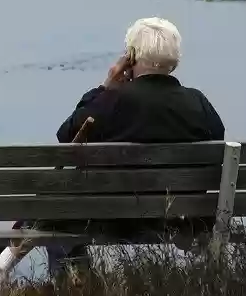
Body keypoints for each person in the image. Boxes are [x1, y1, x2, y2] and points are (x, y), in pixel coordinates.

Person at [46, 16, 226, 275]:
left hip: (113, 218)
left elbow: (66, 135)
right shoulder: (198, 102)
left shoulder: (112, 100)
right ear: (174, 60)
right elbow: (217, 145)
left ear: (130, 57)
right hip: (181, 218)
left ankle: (78, 284)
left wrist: (105, 86)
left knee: (57, 216)